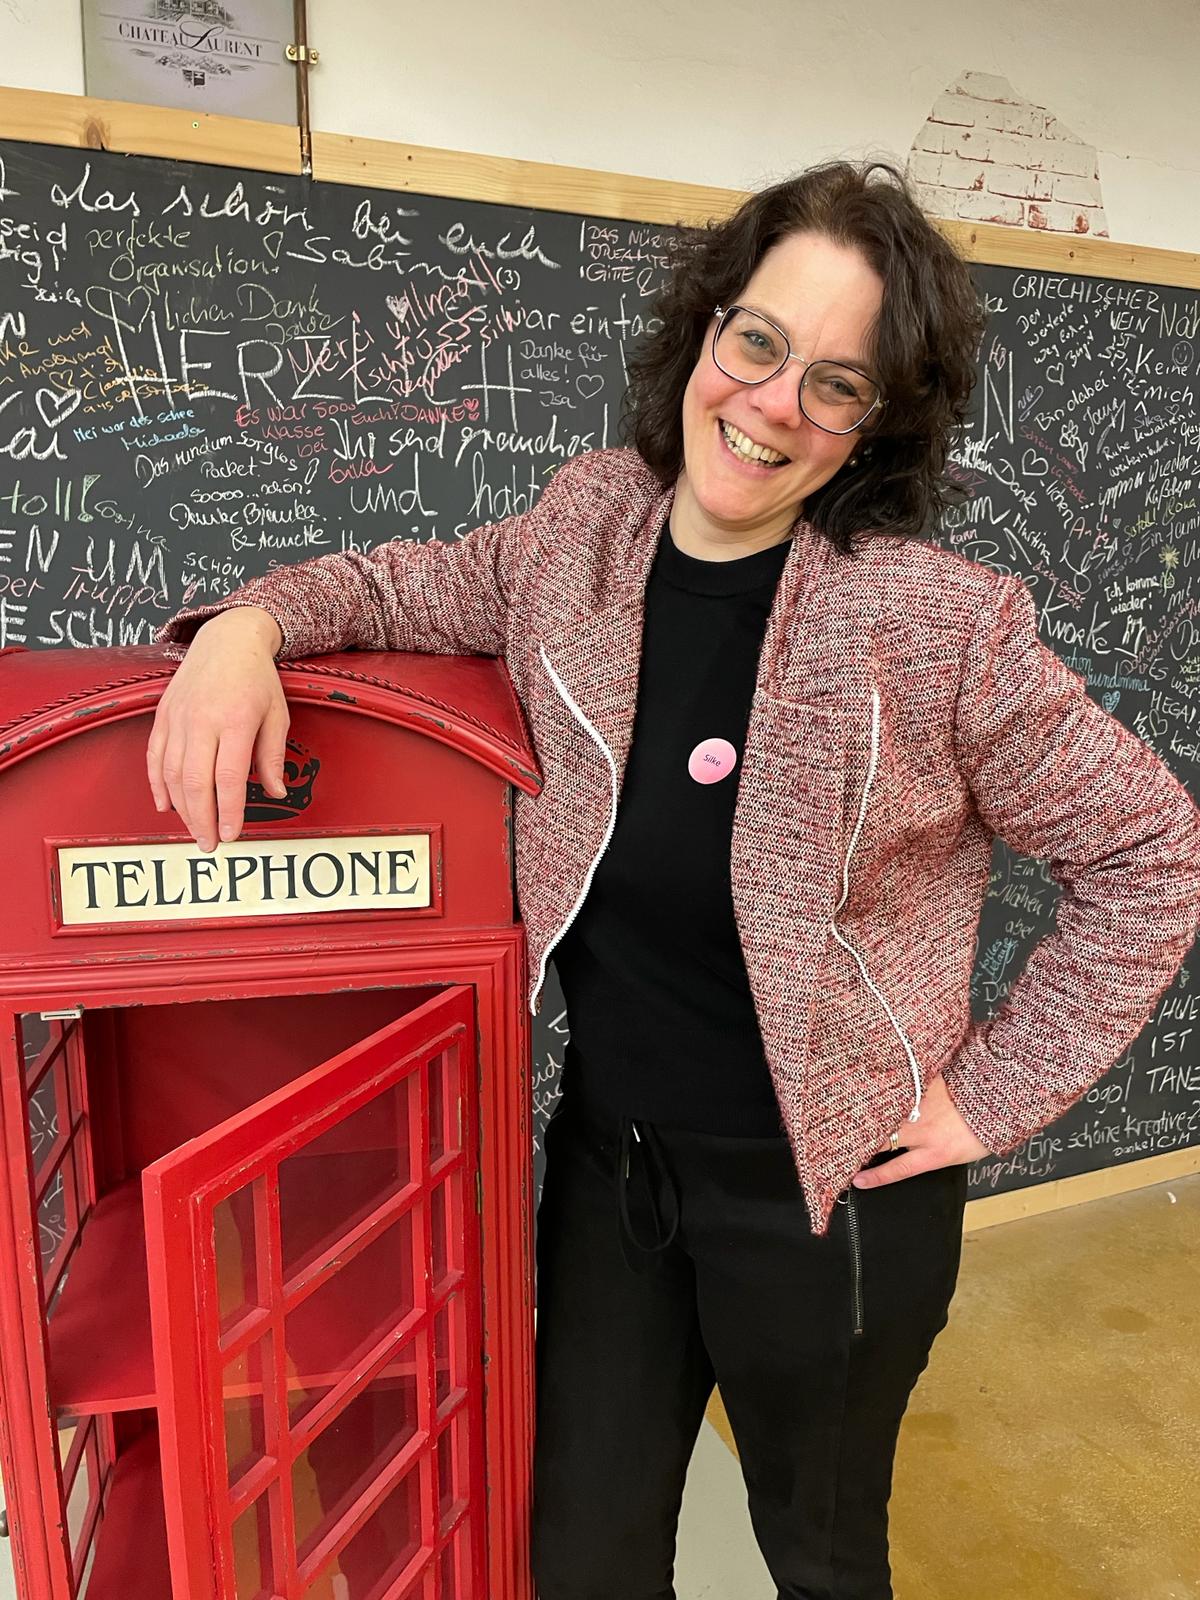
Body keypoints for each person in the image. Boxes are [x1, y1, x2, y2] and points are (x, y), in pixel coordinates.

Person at [150, 160, 1200, 1599]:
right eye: (757, 341)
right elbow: (399, 586)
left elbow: (1153, 852)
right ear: (707, 329)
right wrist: (245, 628)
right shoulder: (582, 533)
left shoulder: (937, 625)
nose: (773, 403)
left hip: (830, 1199)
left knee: (818, 1555)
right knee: (579, 1556)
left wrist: (991, 1096)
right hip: (612, 1172)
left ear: (880, 421)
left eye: (837, 383)